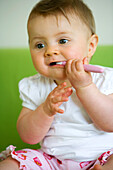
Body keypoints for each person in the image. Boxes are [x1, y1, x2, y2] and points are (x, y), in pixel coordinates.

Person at [0, 0, 113, 169]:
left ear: (90, 46)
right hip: (51, 160)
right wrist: (45, 110)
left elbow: (110, 122)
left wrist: (85, 87)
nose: (50, 51)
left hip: (103, 158)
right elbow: (28, 137)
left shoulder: (105, 78)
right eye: (40, 45)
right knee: (10, 164)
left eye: (62, 41)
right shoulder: (34, 86)